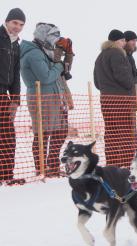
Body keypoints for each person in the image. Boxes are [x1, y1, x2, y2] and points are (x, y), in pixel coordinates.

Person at [21, 23, 70, 178]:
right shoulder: (34, 54)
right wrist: (59, 66)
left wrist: (67, 55)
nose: (57, 39)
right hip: (42, 98)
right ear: (44, 36)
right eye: (54, 36)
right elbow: (46, 77)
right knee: (42, 134)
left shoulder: (44, 51)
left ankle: (52, 165)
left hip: (53, 97)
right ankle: (42, 168)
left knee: (60, 131)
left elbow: (58, 73)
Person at [94, 29, 136, 168]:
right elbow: (123, 77)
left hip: (106, 100)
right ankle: (126, 164)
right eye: (123, 40)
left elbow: (96, 82)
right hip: (121, 101)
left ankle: (112, 165)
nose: (125, 43)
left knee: (111, 134)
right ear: (116, 41)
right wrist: (131, 83)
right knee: (125, 133)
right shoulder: (117, 54)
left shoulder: (100, 56)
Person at [0, 8, 25, 185]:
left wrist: (15, 100)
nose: (17, 27)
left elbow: (16, 73)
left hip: (5, 95)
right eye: (15, 22)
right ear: (7, 21)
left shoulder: (16, 44)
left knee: (8, 135)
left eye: (21, 25)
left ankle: (6, 175)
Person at [124, 30, 137, 97]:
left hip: (134, 94)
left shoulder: (130, 56)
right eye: (132, 40)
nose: (135, 43)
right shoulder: (122, 55)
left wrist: (136, 72)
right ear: (125, 41)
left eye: (136, 41)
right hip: (128, 96)